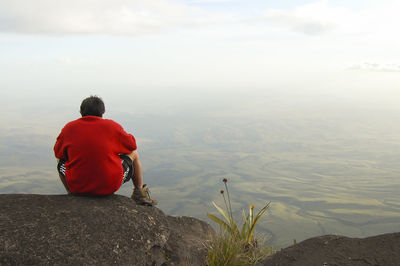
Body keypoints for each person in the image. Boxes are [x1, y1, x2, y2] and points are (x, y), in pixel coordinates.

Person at [53, 95, 157, 206]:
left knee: (60, 159)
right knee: (134, 153)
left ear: (81, 111)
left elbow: (57, 152)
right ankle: (139, 193)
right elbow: (132, 145)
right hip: (110, 185)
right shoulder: (112, 126)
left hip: (77, 186)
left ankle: (71, 193)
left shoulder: (69, 128)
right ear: (103, 112)